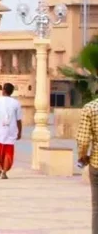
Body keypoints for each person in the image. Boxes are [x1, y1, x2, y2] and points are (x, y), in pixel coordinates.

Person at [73, 94, 98, 231]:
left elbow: (83, 141)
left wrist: (82, 157)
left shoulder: (90, 108)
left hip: (97, 163)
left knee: (97, 208)